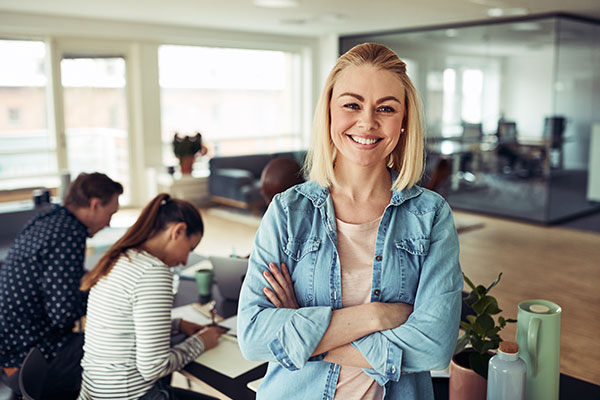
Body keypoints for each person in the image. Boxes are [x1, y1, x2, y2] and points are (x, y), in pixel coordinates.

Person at [237, 43, 463, 399]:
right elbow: (253, 337)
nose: (367, 122)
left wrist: (305, 333)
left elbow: (434, 345)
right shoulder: (287, 212)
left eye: (386, 108)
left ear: (404, 121)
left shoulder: (431, 215)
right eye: (352, 104)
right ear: (329, 111)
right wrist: (375, 316)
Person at [79, 193, 224, 400]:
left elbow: (124, 326)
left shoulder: (121, 257)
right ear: (178, 231)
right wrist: (202, 341)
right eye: (190, 249)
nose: (184, 261)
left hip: (96, 392)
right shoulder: (153, 272)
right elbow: (153, 367)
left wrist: (176, 324)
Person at [0, 172, 123, 398]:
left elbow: (58, 280)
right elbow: (63, 314)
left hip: (11, 349)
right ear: (95, 205)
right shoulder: (69, 233)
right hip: (31, 359)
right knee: (125, 350)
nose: (109, 223)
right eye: (110, 213)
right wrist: (108, 295)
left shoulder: (49, 218)